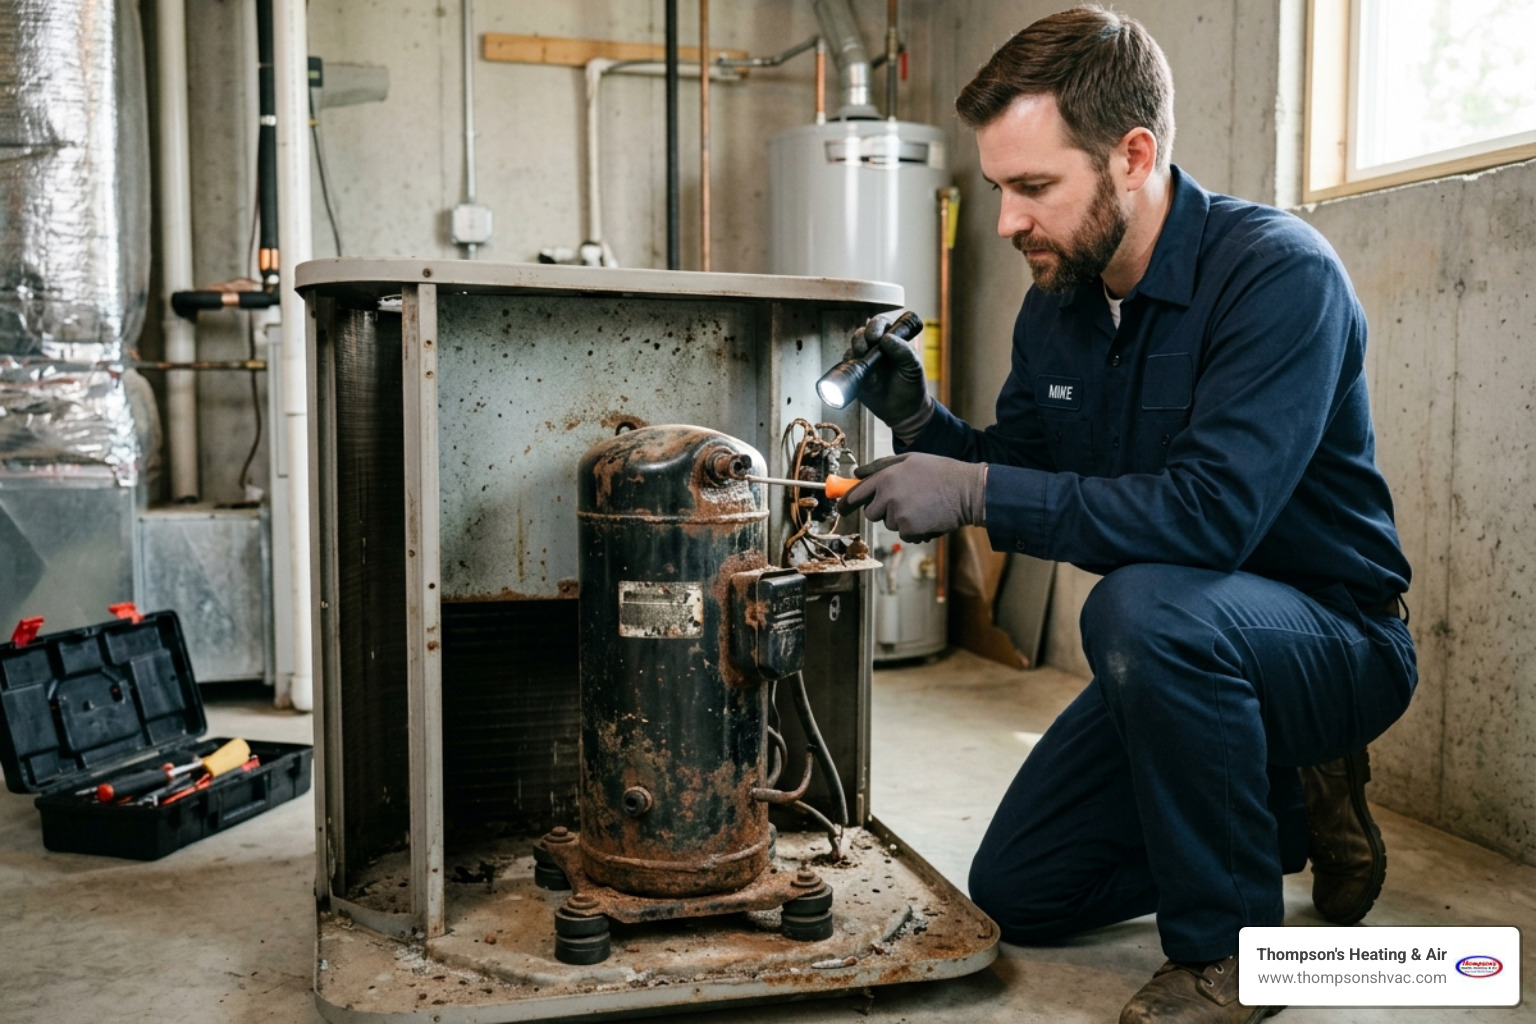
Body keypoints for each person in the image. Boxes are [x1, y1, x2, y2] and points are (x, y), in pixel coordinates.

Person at [836, 6, 1417, 1023]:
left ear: (1132, 155)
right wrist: (920, 416)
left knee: (1139, 610)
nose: (1009, 220)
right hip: (1186, 656)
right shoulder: (1056, 304)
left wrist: (973, 491)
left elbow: (1208, 519)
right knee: (1022, 890)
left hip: (1333, 636)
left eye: (1033, 187)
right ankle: (1281, 802)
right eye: (1000, 189)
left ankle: (1232, 956)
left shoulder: (1278, 275)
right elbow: (1013, 470)